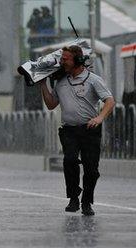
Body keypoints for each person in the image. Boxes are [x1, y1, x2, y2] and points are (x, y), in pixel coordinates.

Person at [38, 45, 115, 216]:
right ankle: (73, 197)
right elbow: (51, 104)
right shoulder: (61, 81)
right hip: (69, 131)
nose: (62, 62)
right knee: (70, 161)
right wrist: (43, 84)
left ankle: (86, 201)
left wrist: (99, 118)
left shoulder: (93, 80)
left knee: (91, 169)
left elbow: (109, 101)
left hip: (89, 129)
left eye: (66, 59)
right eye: (62, 58)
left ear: (78, 60)